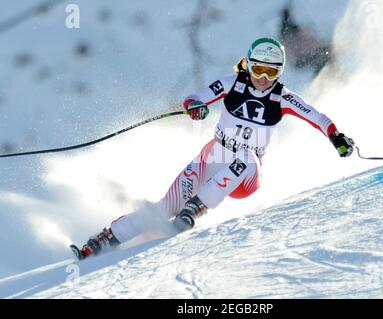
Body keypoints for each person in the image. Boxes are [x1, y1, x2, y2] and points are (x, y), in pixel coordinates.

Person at [72, 37, 354, 259]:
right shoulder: (233, 83)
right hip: (216, 154)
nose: (264, 79)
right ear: (248, 65)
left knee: (246, 156)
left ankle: (197, 208)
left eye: (272, 72)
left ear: (279, 73)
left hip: (247, 174)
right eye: (258, 70)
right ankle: (104, 240)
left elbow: (317, 116)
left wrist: (336, 137)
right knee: (166, 207)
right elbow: (197, 97)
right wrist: (195, 107)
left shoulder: (283, 98)